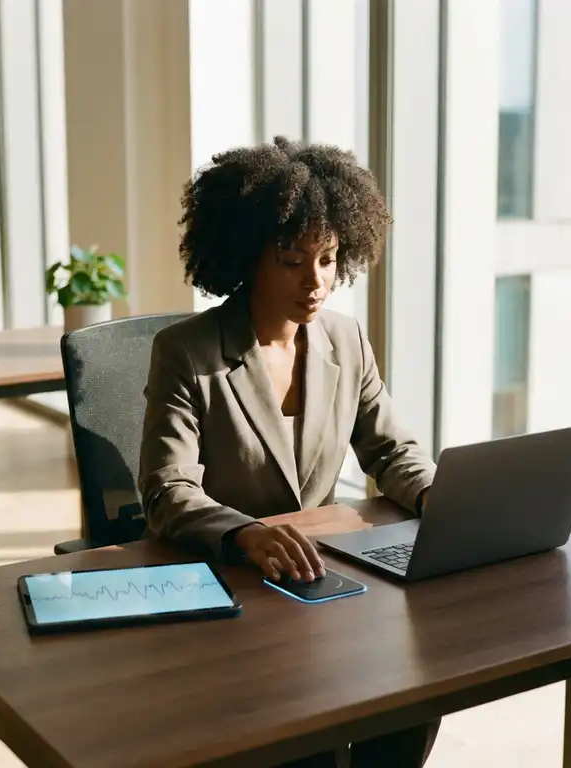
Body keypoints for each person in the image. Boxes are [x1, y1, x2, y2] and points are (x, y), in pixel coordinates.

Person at [137, 136, 439, 768]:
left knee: (419, 687)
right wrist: (243, 533)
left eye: (328, 259)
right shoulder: (187, 353)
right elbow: (168, 492)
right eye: (293, 260)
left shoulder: (344, 338)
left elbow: (390, 448)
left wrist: (439, 494)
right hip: (236, 590)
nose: (316, 282)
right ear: (250, 256)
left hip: (321, 582)